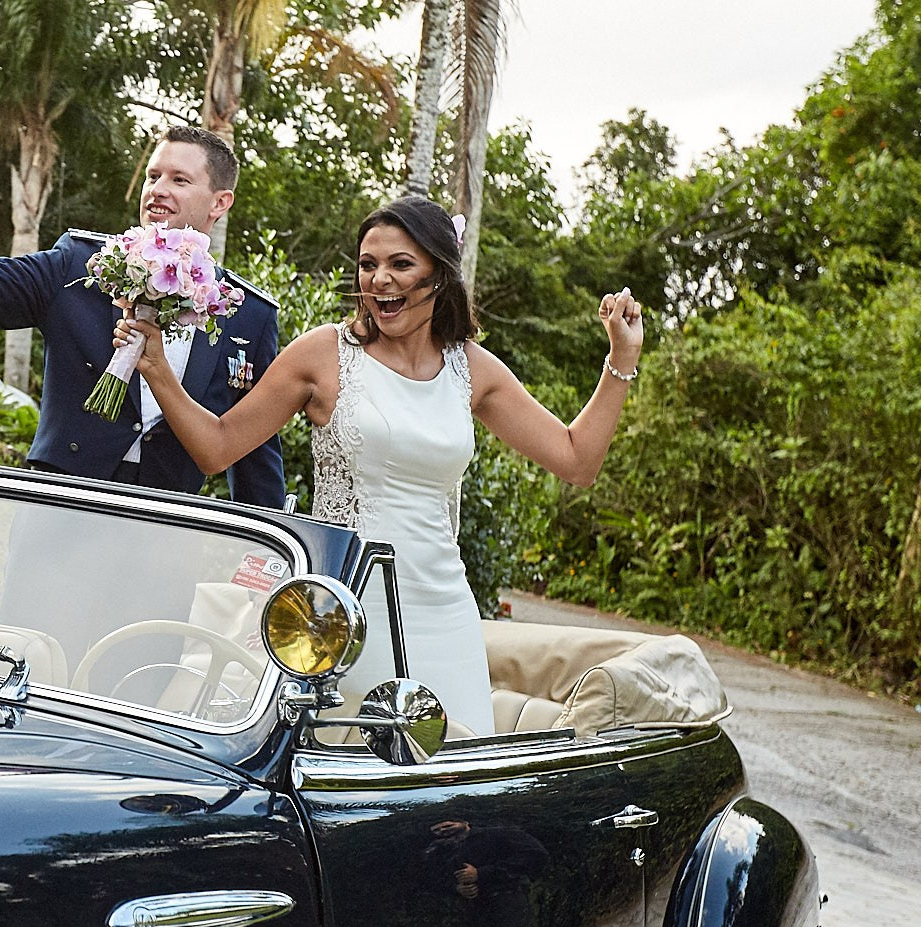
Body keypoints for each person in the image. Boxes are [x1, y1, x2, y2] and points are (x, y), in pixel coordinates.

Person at [119, 197, 645, 733]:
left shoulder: (473, 369)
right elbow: (219, 446)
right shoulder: (322, 354)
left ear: (439, 275)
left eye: (400, 264)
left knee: (454, 784)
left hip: (445, 611)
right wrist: (158, 369)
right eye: (368, 265)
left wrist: (620, 360)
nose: (379, 280)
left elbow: (576, 460)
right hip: (344, 611)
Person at [0, 122, 284, 506]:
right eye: (153, 175)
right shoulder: (78, 264)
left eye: (179, 180)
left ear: (220, 202)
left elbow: (254, 453)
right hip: (55, 506)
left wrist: (264, 561)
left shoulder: (247, 314)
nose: (157, 189)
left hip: (166, 529)